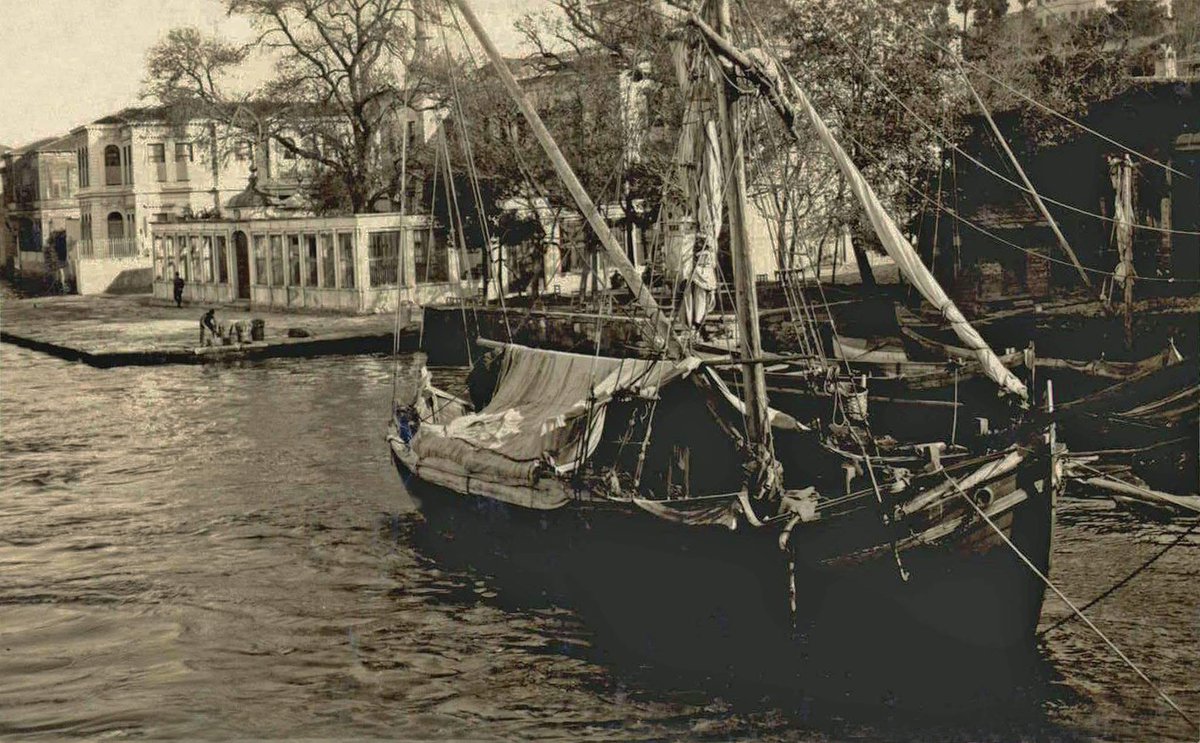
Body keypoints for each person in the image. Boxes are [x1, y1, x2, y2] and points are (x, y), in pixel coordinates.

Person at [682, 237, 717, 338]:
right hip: (701, 282)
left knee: (701, 305)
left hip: (703, 280)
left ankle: (698, 326)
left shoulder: (706, 257)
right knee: (700, 305)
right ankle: (698, 326)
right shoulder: (704, 258)